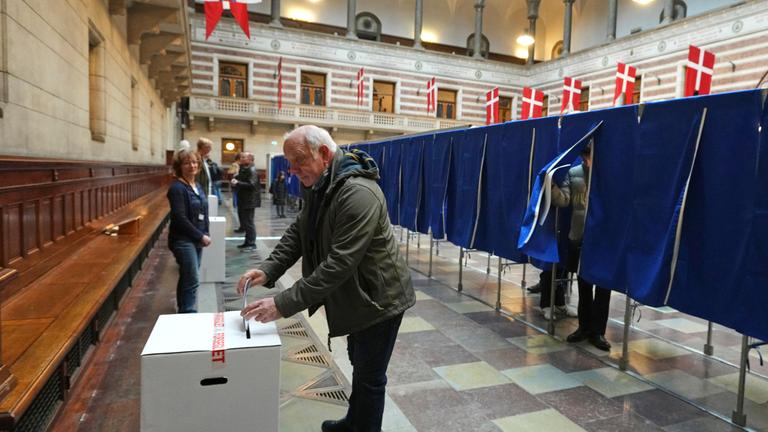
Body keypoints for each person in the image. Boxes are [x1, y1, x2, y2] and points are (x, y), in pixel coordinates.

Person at [237, 125, 415, 432]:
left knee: (370, 378)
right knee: (359, 364)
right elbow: (300, 230)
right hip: (358, 295)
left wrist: (281, 304)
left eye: (298, 161)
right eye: (290, 162)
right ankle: (354, 422)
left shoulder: (358, 193)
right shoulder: (322, 183)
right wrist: (269, 268)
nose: (292, 170)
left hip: (379, 299)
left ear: (323, 153)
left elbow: (338, 264)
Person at [551, 143, 612, 351]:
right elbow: (564, 201)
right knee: (583, 284)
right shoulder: (574, 172)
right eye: (585, 156)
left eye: (590, 155)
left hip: (604, 238)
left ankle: (598, 332)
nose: (588, 160)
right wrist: (551, 186)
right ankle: (584, 327)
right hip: (579, 236)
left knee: (603, 286)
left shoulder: (611, 173)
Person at [167, 148, 211, 313]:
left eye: (194, 162)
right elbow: (179, 218)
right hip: (183, 240)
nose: (191, 166)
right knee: (192, 278)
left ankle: (183, 309)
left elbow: (204, 211)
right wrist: (200, 236)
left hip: (196, 238)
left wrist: (206, 233)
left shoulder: (197, 185)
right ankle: (189, 312)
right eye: (186, 163)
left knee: (188, 276)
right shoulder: (177, 188)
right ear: (180, 166)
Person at [231, 152, 260, 249]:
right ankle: (247, 242)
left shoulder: (252, 170)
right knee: (245, 222)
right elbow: (242, 179)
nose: (241, 159)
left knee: (248, 222)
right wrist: (236, 179)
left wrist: (237, 182)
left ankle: (251, 243)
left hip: (249, 201)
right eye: (241, 157)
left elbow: (252, 184)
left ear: (250, 159)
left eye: (244, 157)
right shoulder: (244, 168)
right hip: (244, 199)